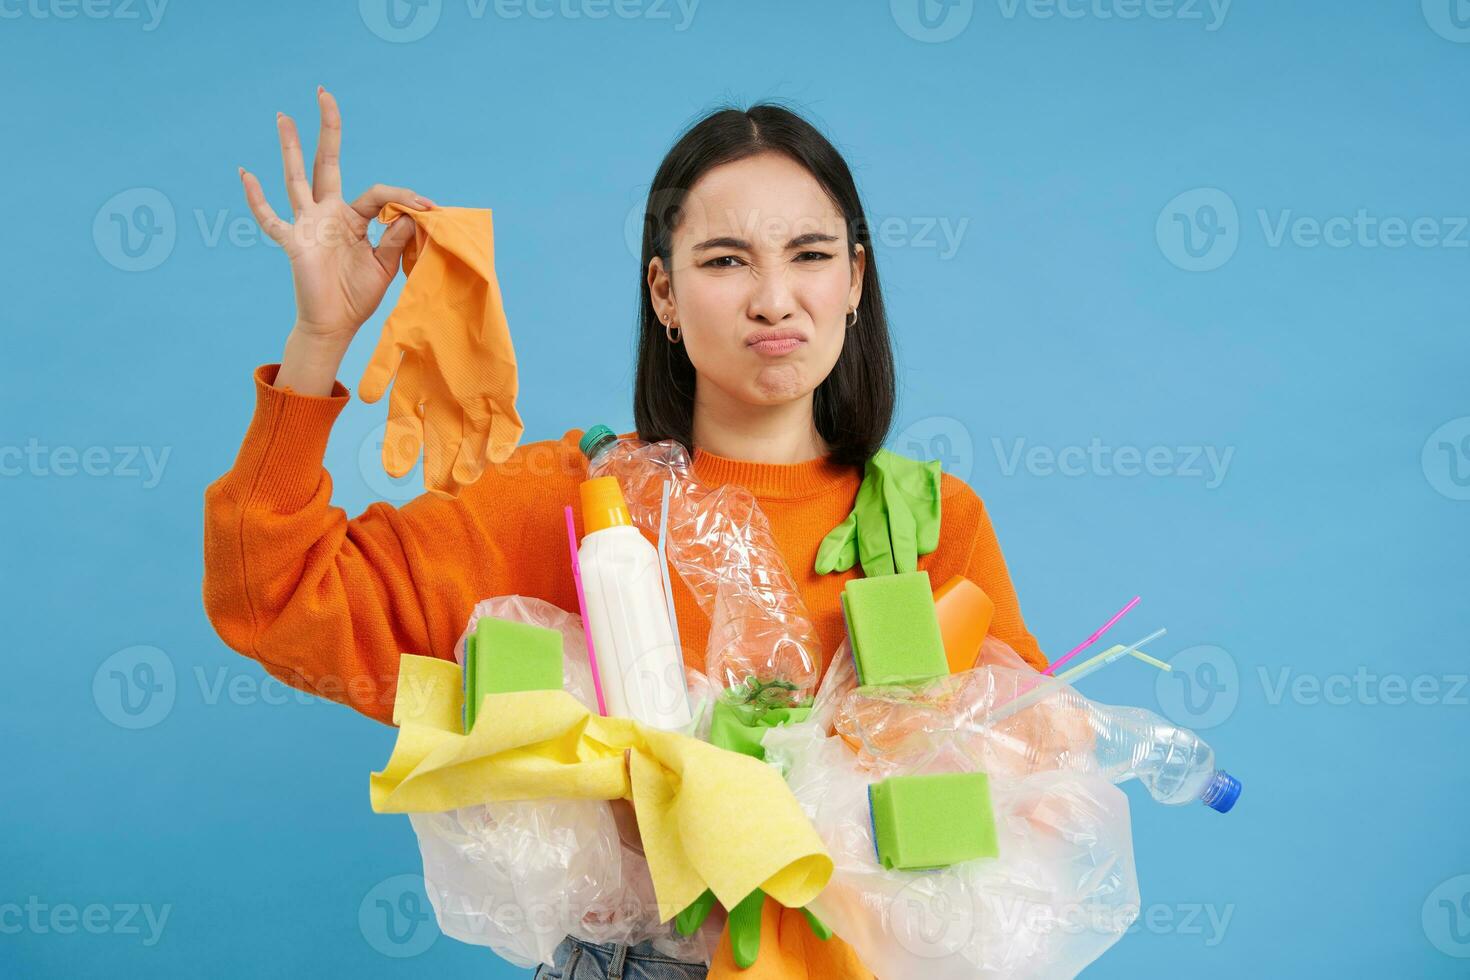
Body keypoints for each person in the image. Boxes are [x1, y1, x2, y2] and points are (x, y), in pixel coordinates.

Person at [203, 86, 1048, 980]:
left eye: (809, 255)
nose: (773, 298)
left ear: (855, 283)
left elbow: (1028, 765)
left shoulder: (930, 524)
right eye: (725, 261)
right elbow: (276, 594)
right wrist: (318, 338)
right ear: (665, 294)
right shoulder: (573, 501)